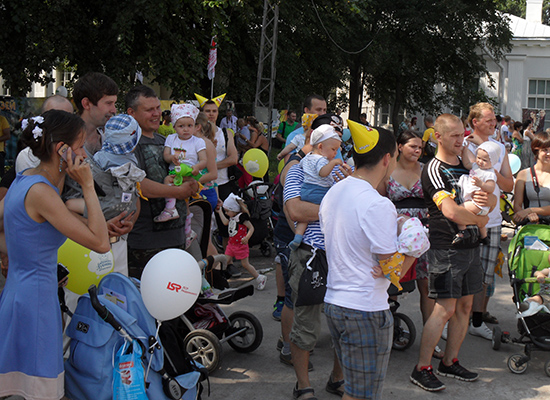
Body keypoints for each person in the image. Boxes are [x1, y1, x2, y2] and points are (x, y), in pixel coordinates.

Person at [0, 110, 110, 400]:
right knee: (42, 392)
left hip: (23, 293)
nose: (83, 154)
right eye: (79, 146)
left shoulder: (26, 180)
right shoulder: (40, 192)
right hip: (35, 300)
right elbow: (100, 244)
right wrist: (87, 185)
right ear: (61, 150)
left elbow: (36, 225)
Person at [321, 121, 415, 400]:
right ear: (387, 159)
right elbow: (391, 271)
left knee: (353, 390)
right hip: (365, 309)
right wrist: (414, 247)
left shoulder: (334, 192)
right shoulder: (378, 203)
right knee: (361, 395)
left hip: (336, 302)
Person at [410, 113, 494, 392]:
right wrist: (481, 219)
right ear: (438, 137)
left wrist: (487, 204)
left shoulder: (468, 164)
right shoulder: (433, 169)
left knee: (465, 308)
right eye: (455, 136)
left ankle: (450, 361)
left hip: (471, 246)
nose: (461, 140)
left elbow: (493, 200)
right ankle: (422, 367)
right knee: (444, 309)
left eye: (463, 134)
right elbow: (449, 211)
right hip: (447, 247)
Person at [283, 113, 350, 400]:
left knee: (344, 323)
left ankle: (337, 378)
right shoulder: (298, 168)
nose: (336, 147)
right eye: (331, 139)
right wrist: (336, 209)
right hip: (311, 253)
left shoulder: (341, 169)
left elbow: (355, 205)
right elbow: (295, 211)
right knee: (307, 323)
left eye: (339, 138)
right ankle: (303, 385)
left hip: (342, 253)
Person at [127, 85, 199, 278]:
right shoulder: (128, 145)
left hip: (177, 236)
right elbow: (138, 184)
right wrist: (178, 192)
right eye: (149, 110)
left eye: (158, 108)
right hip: (146, 241)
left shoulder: (167, 141)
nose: (157, 113)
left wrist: (193, 182)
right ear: (131, 113)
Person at [69, 72, 136, 277]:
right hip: (78, 247)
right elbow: (54, 204)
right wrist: (96, 225)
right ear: (87, 103)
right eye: (108, 103)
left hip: (118, 245)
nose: (114, 110)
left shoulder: (116, 141)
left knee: (117, 304)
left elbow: (133, 190)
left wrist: (130, 221)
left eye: (115, 103)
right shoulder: (64, 144)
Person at [383, 130, 442, 357]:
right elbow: (380, 199)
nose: (418, 151)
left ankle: (431, 338)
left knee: (426, 286)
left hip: (424, 231)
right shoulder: (388, 170)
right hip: (396, 230)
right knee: (392, 283)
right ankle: (389, 330)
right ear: (399, 146)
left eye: (420, 147)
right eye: (412, 146)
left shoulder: (427, 169)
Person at [465, 102, 513, 336]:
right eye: (489, 120)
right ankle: (455, 318)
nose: (494, 123)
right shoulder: (464, 144)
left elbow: (509, 184)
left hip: (492, 220)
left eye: (494, 119)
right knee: (462, 270)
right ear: (475, 122)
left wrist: (492, 170)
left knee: (485, 273)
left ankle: (476, 321)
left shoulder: (499, 148)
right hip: (466, 216)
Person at [65, 114, 145, 221]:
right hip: (116, 206)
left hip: (103, 203)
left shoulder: (99, 155)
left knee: (71, 204)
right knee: (71, 204)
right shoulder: (130, 163)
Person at [195, 93, 239, 272]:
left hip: (222, 182)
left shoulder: (226, 133)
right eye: (207, 111)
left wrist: (211, 166)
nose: (211, 114)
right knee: (204, 227)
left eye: (214, 111)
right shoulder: (194, 135)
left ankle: (228, 263)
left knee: (227, 226)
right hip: (203, 185)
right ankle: (211, 264)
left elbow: (233, 159)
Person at [289, 124, 342, 251]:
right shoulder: (321, 160)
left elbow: (301, 166)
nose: (336, 153)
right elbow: (323, 172)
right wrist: (333, 163)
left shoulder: (307, 158)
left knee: (304, 219)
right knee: (331, 207)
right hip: (319, 191)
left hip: (306, 190)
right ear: (320, 147)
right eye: (334, 149)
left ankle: (298, 236)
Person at [154, 103, 206, 225]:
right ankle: (186, 228)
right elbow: (166, 156)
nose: (186, 129)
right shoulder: (171, 138)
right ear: (174, 126)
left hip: (190, 172)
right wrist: (171, 157)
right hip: (175, 172)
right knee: (182, 199)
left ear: (195, 126)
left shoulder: (198, 142)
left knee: (172, 184)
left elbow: (204, 160)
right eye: (181, 126)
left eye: (189, 125)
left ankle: (170, 208)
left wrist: (197, 167)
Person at [216, 193, 267, 290]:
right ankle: (218, 280)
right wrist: (220, 212)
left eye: (227, 211)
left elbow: (251, 228)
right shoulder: (231, 217)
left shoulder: (242, 218)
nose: (226, 213)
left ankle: (259, 277)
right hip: (231, 245)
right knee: (224, 262)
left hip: (240, 245)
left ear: (234, 210)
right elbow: (225, 222)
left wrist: (247, 238)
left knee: (245, 264)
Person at [453, 141, 500, 245]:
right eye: (478, 158)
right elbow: (466, 163)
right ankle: (484, 237)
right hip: (476, 203)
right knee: (481, 221)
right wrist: (464, 151)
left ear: (493, 162)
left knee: (460, 210)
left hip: (479, 204)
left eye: (485, 160)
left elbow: (491, 188)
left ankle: (462, 231)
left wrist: (481, 184)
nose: (480, 162)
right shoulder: (476, 166)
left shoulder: (490, 173)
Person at [16, 95, 74, 173]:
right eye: (57, 119)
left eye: (69, 120)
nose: (63, 125)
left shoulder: (77, 149)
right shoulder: (28, 156)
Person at [513, 131, 550, 224]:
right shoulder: (523, 174)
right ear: (536, 151)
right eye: (545, 150)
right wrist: (526, 215)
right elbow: (517, 205)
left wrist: (530, 210)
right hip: (530, 227)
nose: (549, 154)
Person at [194, 112, 218, 212]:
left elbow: (213, 174)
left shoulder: (206, 144)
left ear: (198, 127)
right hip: (196, 192)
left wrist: (190, 182)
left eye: (188, 125)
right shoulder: (195, 142)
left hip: (205, 194)